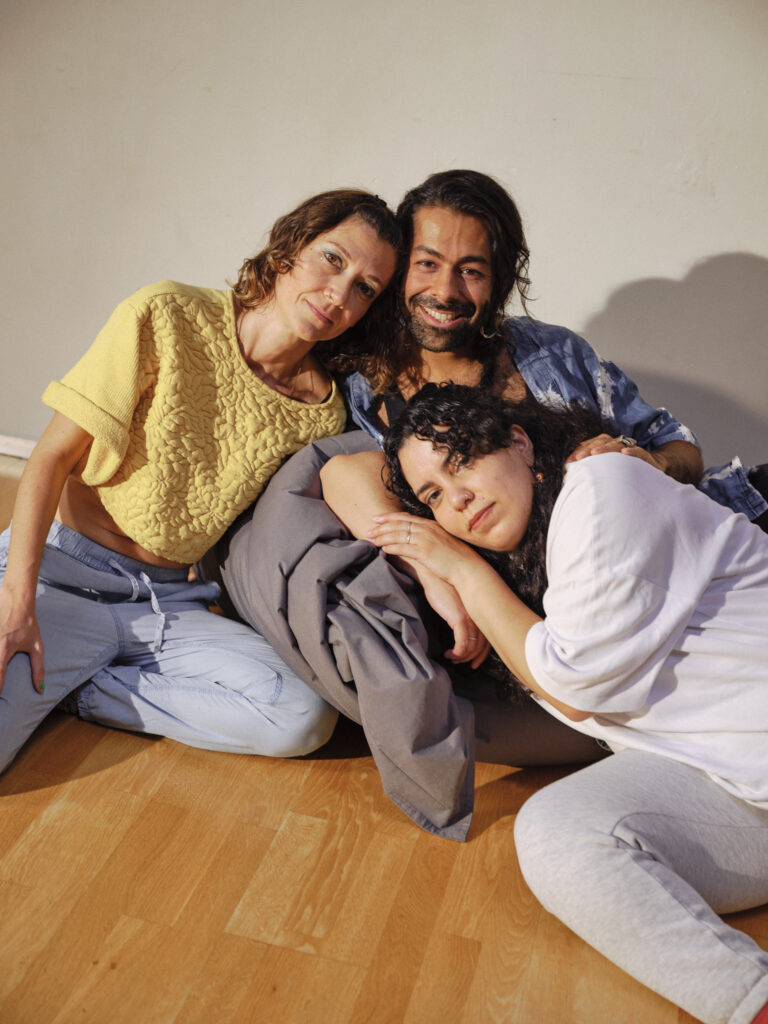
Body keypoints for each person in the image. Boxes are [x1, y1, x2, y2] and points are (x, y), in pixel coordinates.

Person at [369, 381, 768, 1024]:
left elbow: (574, 685)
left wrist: (461, 569)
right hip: (731, 785)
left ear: (521, 442)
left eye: (462, 459)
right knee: (557, 833)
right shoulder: (528, 570)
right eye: (433, 496)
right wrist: (438, 567)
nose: (458, 497)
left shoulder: (604, 486)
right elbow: (341, 469)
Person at [0, 188, 400, 773]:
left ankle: (82, 688)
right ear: (290, 247)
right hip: (59, 576)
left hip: (166, 605)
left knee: (300, 714)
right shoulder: (168, 313)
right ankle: (59, 656)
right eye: (332, 259)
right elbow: (50, 458)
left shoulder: (323, 411)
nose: (338, 294)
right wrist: (18, 604)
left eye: (365, 288)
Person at [322, 168, 768, 664]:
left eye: (471, 270)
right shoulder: (365, 392)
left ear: (499, 280)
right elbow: (343, 477)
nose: (445, 292)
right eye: (427, 263)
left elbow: (681, 447)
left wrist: (648, 462)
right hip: (596, 617)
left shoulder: (552, 354)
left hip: (713, 547)